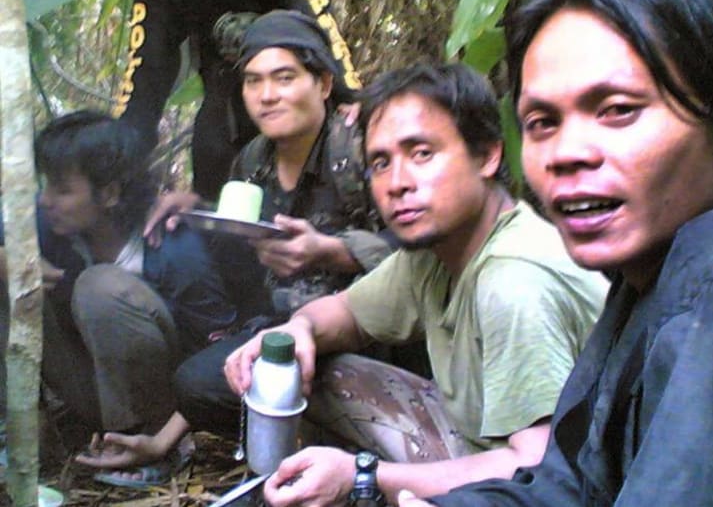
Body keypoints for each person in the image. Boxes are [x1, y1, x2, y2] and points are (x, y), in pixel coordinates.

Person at [399, 0, 713, 507]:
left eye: (619, 110)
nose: (567, 154)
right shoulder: (648, 277)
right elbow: (571, 487)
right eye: (542, 123)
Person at [222, 62, 608, 506]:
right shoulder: (433, 252)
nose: (397, 183)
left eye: (422, 153)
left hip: (556, 486)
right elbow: (344, 312)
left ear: (487, 155)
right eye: (381, 163)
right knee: (308, 371)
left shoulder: (515, 282)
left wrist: (363, 476)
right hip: (483, 445)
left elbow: (536, 471)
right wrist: (296, 331)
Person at [76, 10, 395, 483]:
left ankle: (354, 449)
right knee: (198, 384)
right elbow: (262, 306)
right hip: (294, 338)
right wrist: (161, 440)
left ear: (324, 84)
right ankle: (312, 439)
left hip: (376, 334)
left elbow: (418, 249)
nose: (267, 95)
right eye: (253, 81)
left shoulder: (363, 145)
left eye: (285, 78)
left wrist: (333, 250)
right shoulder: (253, 163)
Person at [0, 111, 237, 485]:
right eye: (45, 185)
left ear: (109, 193)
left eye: (62, 189)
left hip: (168, 408)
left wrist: (166, 436)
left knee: (100, 287)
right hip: (89, 388)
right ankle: (18, 425)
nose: (45, 200)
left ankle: (146, 447)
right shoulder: (46, 223)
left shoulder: (174, 248)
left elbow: (224, 360)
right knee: (7, 267)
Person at [113, 0, 361, 200]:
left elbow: (323, 31)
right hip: (220, 129)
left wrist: (352, 101)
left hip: (296, 119)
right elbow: (144, 73)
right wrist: (118, 159)